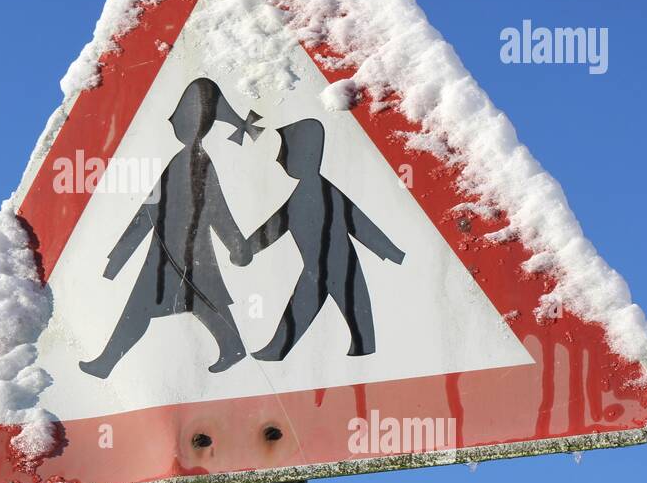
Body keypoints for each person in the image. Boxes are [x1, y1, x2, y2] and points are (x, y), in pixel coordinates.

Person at [79, 78, 262, 379]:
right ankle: (107, 362)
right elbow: (150, 209)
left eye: (179, 115)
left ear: (191, 121)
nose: (171, 120)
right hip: (167, 250)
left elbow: (216, 209)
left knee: (198, 300)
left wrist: (236, 244)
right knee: (156, 306)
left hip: (188, 252)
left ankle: (232, 346)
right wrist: (119, 255)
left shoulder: (198, 162)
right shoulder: (180, 161)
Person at [245, 118, 405, 361]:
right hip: (322, 265)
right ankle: (358, 346)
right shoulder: (303, 196)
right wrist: (247, 248)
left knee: (349, 306)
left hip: (334, 264)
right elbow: (274, 226)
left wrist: (392, 252)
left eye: (285, 150)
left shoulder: (320, 194)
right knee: (331, 305)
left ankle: (360, 347)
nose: (279, 158)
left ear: (303, 154)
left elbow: (359, 223)